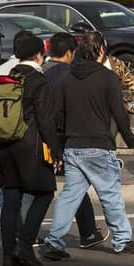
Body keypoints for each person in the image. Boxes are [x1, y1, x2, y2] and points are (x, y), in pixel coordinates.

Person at [44, 32, 134, 258]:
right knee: (110, 195)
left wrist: (58, 145)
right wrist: (129, 138)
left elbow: (57, 113)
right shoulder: (107, 78)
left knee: (70, 196)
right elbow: (119, 112)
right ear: (101, 51)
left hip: (72, 146)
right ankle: (122, 241)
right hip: (99, 145)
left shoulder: (67, 78)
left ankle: (54, 242)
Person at [0, 31, 57, 266]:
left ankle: (9, 258)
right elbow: (46, 121)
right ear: (39, 55)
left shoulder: (8, 77)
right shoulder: (39, 81)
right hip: (29, 148)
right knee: (46, 192)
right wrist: (57, 152)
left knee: (11, 200)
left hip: (4, 147)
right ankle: (25, 244)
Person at [41, 33, 107, 251]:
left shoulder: (41, 71)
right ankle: (88, 232)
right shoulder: (70, 75)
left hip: (37, 137)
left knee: (44, 189)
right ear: (70, 53)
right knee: (75, 187)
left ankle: (27, 232)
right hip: (65, 138)